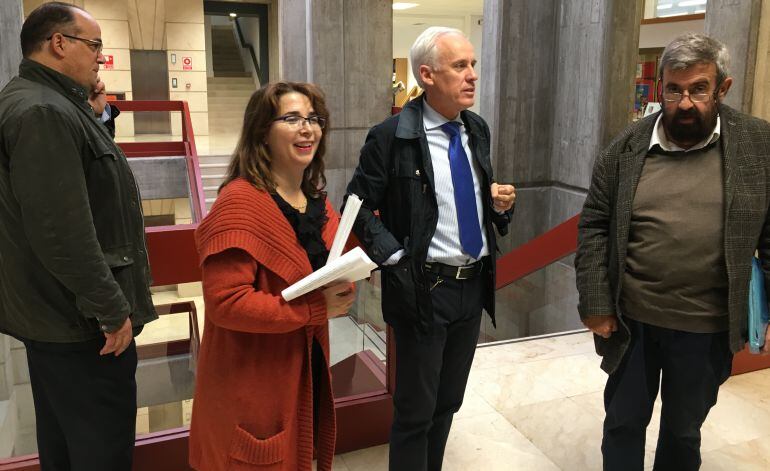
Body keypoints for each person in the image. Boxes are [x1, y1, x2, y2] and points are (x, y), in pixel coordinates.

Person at [575, 33, 770, 471]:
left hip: (706, 326)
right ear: (660, 87)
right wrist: (595, 302)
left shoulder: (759, 146)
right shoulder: (626, 147)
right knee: (623, 425)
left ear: (723, 87)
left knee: (683, 432)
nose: (685, 103)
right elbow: (594, 226)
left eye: (699, 89)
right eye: (674, 89)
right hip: (631, 323)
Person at [344, 26, 515, 471]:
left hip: (473, 287)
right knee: (416, 412)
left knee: (447, 405)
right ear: (427, 75)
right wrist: (396, 258)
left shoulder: (476, 129)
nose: (472, 75)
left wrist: (497, 206)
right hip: (423, 291)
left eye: (473, 64)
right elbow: (356, 207)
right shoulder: (391, 136)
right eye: (460, 66)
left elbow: (471, 199)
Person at [0, 2, 157, 470]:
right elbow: (61, 232)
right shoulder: (43, 112)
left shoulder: (42, 102)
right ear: (59, 43)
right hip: (82, 328)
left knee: (66, 449)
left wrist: (97, 117)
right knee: (100, 452)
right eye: (95, 46)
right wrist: (111, 310)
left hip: (59, 321)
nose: (100, 58)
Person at [190, 81, 356, 471]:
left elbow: (322, 269)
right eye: (292, 118)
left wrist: (344, 283)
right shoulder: (240, 201)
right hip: (252, 386)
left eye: (314, 119)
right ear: (262, 132)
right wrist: (315, 308)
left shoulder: (314, 200)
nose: (307, 128)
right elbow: (225, 303)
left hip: (302, 370)